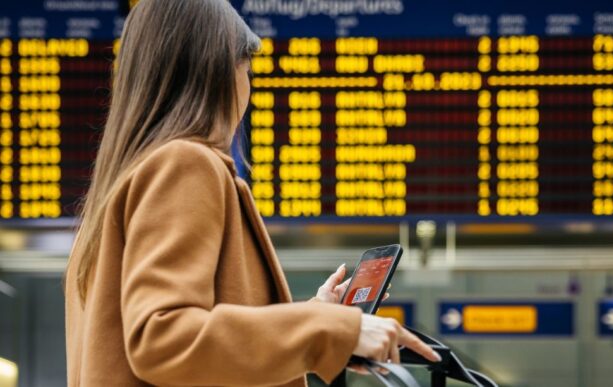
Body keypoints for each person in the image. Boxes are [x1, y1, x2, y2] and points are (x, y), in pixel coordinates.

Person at [63, 0, 440, 385]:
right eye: (247, 69)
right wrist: (328, 330)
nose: (249, 87)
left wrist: (313, 315)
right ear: (218, 72)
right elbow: (164, 337)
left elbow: (178, 347)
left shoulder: (104, 209)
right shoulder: (183, 163)